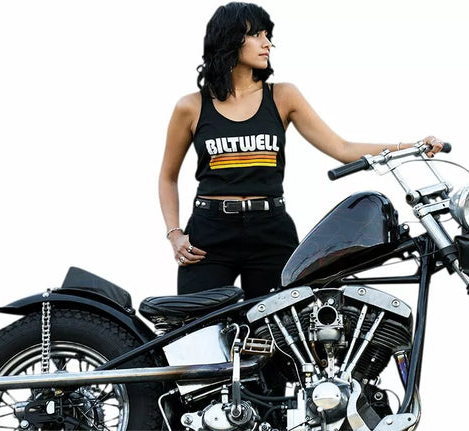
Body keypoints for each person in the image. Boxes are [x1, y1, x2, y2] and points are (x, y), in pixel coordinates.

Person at [159, 2, 443, 297]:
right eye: (256, 35)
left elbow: (342, 147)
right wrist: (174, 234)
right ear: (229, 38)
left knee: (283, 322)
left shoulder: (283, 96)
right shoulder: (191, 107)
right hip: (209, 234)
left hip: (271, 231)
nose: (267, 43)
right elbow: (168, 177)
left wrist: (411, 147)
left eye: (267, 35)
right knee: (197, 323)